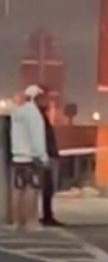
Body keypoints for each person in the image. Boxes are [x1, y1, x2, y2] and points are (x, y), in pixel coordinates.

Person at [9, 85, 48, 231]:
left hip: (17, 156)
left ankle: (17, 222)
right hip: (31, 157)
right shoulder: (34, 114)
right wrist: (42, 156)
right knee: (31, 188)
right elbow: (37, 137)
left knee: (17, 189)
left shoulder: (17, 112)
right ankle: (31, 222)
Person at [38, 96, 63, 227]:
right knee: (48, 187)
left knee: (48, 188)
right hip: (47, 157)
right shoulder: (40, 119)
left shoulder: (41, 118)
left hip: (48, 155)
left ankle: (47, 215)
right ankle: (47, 216)